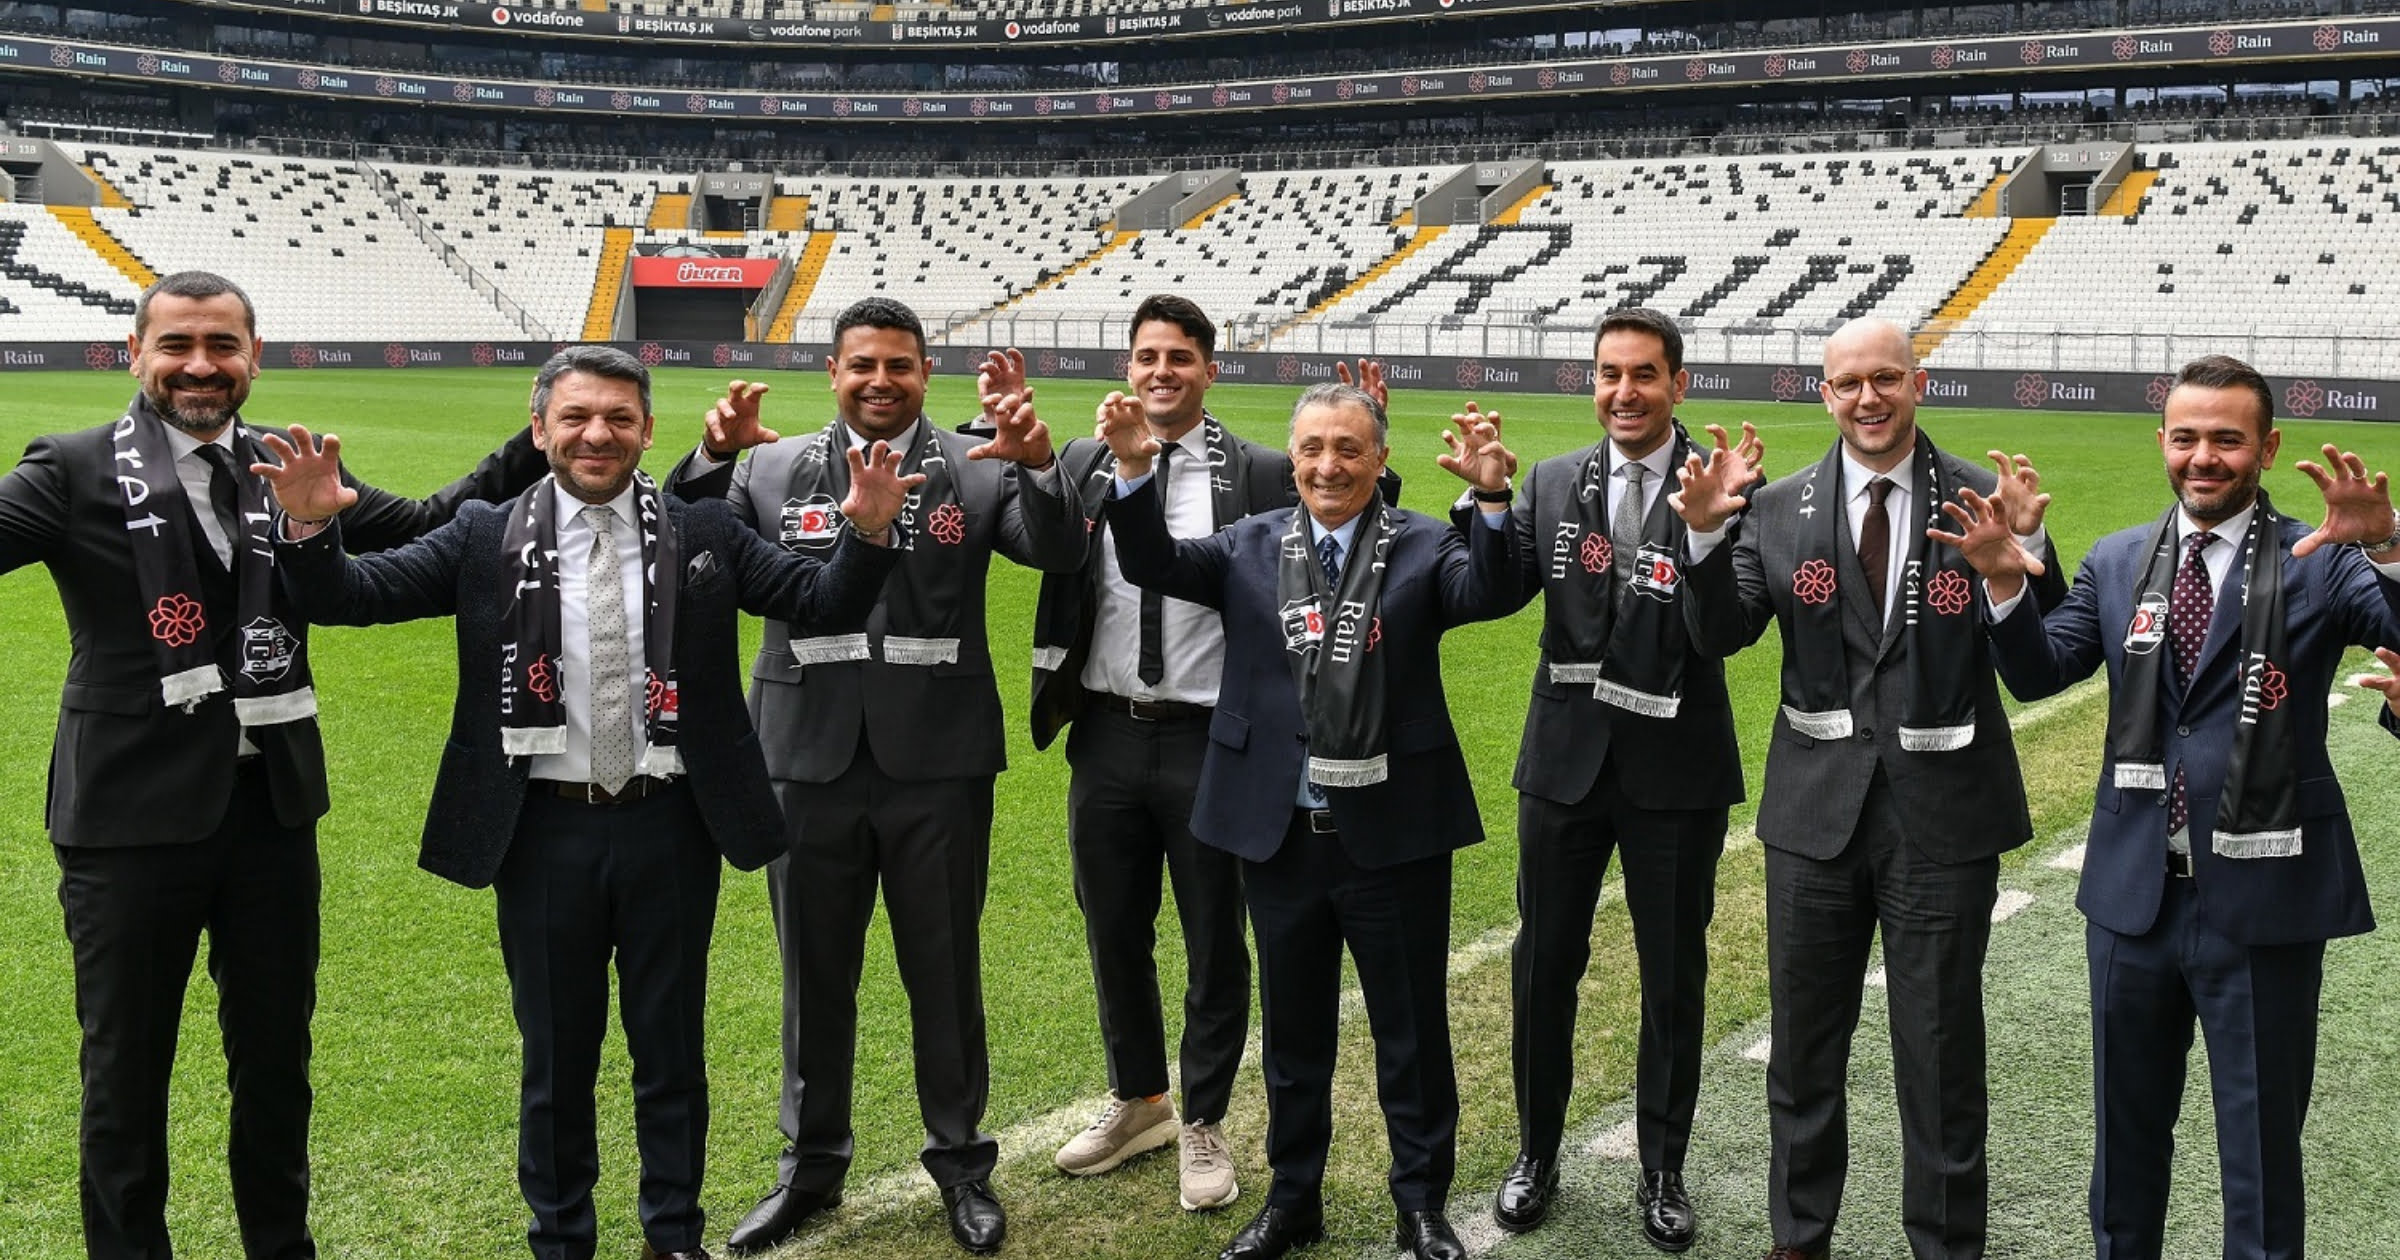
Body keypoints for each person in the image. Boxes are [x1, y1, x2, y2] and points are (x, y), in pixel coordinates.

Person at [257, 345, 906, 1260]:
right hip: (541, 830)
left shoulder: (703, 532)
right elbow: (356, 598)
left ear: (646, 430)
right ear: (541, 429)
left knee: (671, 1056)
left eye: (618, 418)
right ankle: (561, 1238)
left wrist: (869, 534)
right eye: (576, 418)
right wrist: (310, 532)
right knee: (556, 1062)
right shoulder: (485, 534)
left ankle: (671, 1235)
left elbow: (820, 598)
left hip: (671, 824)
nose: (597, 435)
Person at [0, 270, 541, 1260]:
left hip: (272, 816)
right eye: (177, 346)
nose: (200, 366)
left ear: (255, 356)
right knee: (125, 1076)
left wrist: (533, 442)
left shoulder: (284, 463)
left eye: (222, 346)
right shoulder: (70, 469)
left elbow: (432, 523)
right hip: (125, 825)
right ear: (135, 354)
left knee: (277, 1066)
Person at [1955, 354, 2400, 1260]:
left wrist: (2386, 548)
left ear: (2266, 448)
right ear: (2162, 442)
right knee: (2124, 1150)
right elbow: (2042, 672)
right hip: (2132, 902)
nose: (2205, 457)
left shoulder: (2323, 560)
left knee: (2262, 1153)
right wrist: (2007, 583)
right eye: (2188, 437)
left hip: (2267, 899)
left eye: (2228, 440)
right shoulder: (2118, 560)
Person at [668, 297, 1086, 1256]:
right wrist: (713, 459)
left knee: (943, 970)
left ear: (923, 372)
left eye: (899, 365)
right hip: (804, 759)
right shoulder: (770, 470)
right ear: (835, 372)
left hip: (937, 765)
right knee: (814, 976)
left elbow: (1060, 551)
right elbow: (690, 557)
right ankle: (810, 1170)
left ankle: (963, 1166)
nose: (881, 381)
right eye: (863, 365)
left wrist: (1036, 463)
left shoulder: (976, 471)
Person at [1099, 381, 1521, 1260]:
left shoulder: (1420, 543)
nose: (1329, 465)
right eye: (1313, 449)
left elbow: (1488, 590)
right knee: (1293, 1038)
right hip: (1280, 836)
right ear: (1292, 459)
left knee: (1411, 1032)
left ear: (1378, 459)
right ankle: (1295, 1201)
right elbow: (1155, 566)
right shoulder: (1250, 544)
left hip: (1394, 835)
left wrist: (1488, 498)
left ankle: (1421, 1204)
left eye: (1349, 449)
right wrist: (1135, 472)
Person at [1675, 316, 2062, 1260]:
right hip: (1813, 820)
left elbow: (2042, 665)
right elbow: (1718, 634)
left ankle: (1945, 1245)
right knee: (1804, 1055)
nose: (1869, 399)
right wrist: (1696, 539)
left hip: (1944, 822)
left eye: (1886, 378)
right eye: (1849, 384)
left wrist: (2016, 572)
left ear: (1918, 383)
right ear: (1825, 394)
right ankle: (1800, 1240)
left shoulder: (1983, 496)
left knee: (1939, 1056)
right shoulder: (1775, 507)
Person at [1479, 307, 1760, 1251]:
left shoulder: (1722, 486)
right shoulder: (1556, 480)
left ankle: (1663, 1170)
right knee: (1543, 967)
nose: (1625, 392)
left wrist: (1713, 537)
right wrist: (1486, 506)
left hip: (1675, 769)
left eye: (1645, 375)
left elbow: (1728, 631)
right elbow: (1496, 588)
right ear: (1591, 382)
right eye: (1610, 374)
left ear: (1680, 385)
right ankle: (1535, 1153)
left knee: (1671, 979)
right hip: (1563, 766)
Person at [1027, 295, 1291, 1210]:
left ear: (1209, 370)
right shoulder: (1084, 461)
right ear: (1127, 367)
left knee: (1216, 938)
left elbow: (1336, 533)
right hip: (1104, 733)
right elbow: (1041, 547)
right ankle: (1140, 1099)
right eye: (1146, 356)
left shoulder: (1257, 472)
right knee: (1114, 929)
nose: (1161, 372)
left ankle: (1206, 1119)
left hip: (1210, 738)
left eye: (1180, 357)